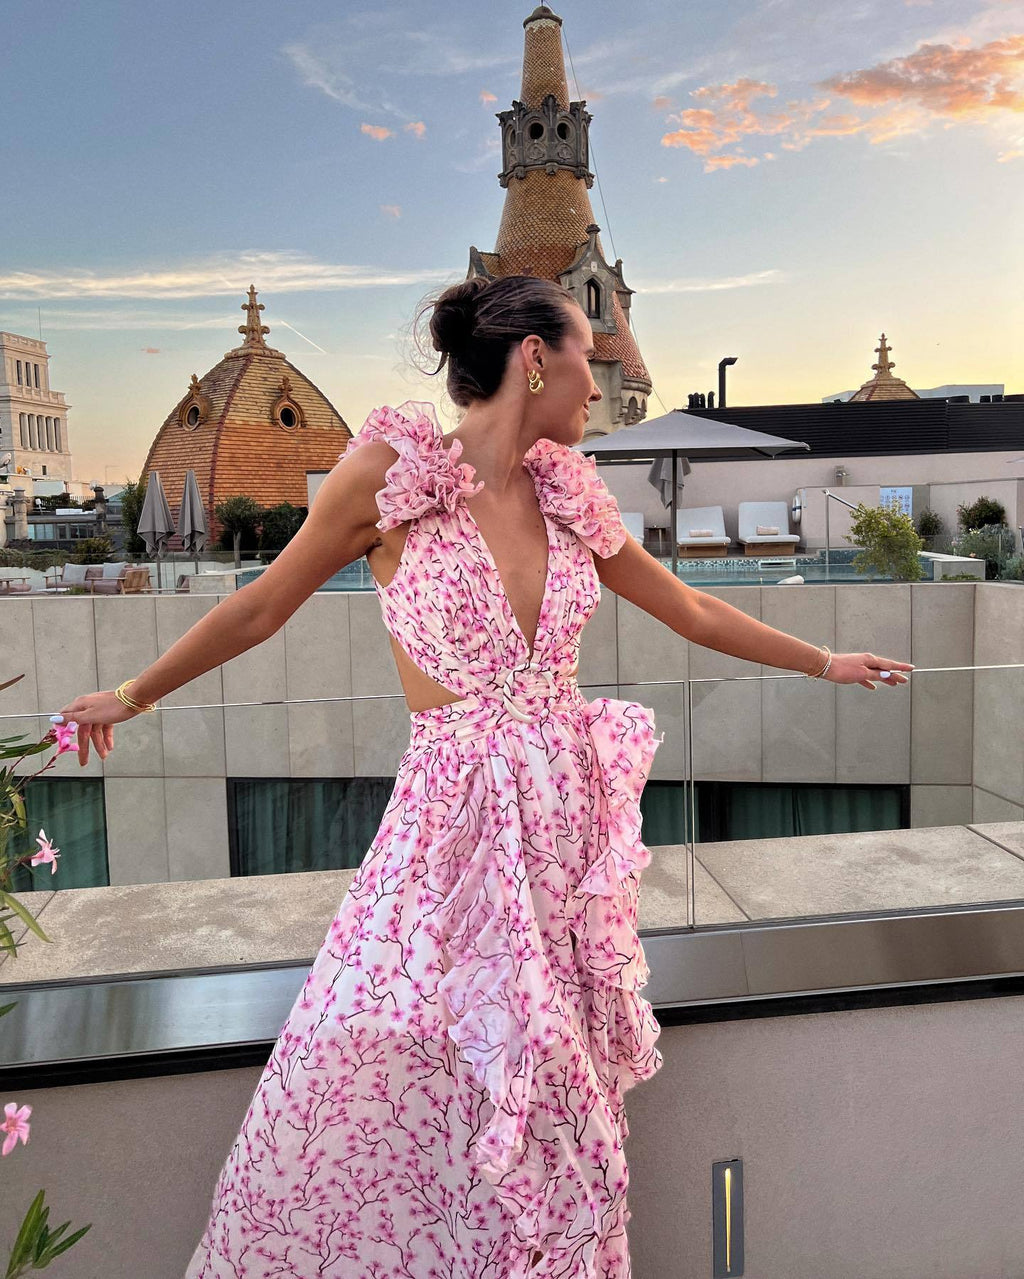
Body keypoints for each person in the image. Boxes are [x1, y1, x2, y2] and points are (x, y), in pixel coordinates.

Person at [57, 275, 912, 1277]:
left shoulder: (563, 490)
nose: (600, 383)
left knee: (557, 1087)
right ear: (534, 358)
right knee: (417, 1065)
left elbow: (689, 610)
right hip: (452, 825)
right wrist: (135, 691)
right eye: (589, 358)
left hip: (558, 829)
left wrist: (825, 662)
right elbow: (260, 606)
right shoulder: (387, 474)